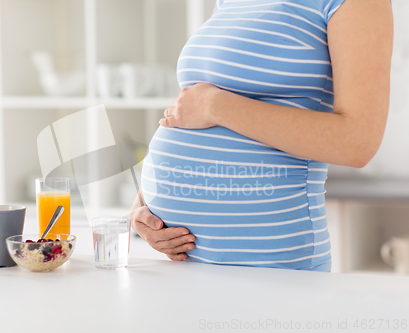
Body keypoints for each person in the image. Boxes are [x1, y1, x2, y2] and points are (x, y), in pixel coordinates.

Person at [131, 0, 393, 271]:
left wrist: (215, 106)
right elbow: (189, 107)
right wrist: (143, 207)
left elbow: (358, 142)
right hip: (188, 261)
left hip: (272, 265)